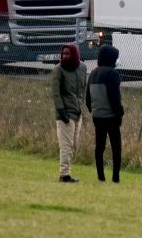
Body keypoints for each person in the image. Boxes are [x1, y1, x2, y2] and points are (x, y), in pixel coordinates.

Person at [85, 44, 124, 183]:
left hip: (97, 116)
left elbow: (87, 98)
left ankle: (100, 176)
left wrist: (92, 110)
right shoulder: (112, 73)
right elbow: (114, 96)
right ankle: (115, 177)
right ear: (111, 58)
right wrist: (119, 113)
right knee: (116, 146)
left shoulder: (93, 73)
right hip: (111, 116)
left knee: (99, 146)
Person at [51, 43, 86, 183]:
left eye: (68, 54)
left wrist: (83, 107)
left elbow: (83, 89)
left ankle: (66, 172)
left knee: (74, 146)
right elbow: (56, 93)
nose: (65, 56)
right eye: (63, 54)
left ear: (75, 54)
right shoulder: (58, 70)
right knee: (66, 146)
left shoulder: (82, 67)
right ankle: (64, 175)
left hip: (78, 113)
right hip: (65, 114)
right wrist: (61, 111)